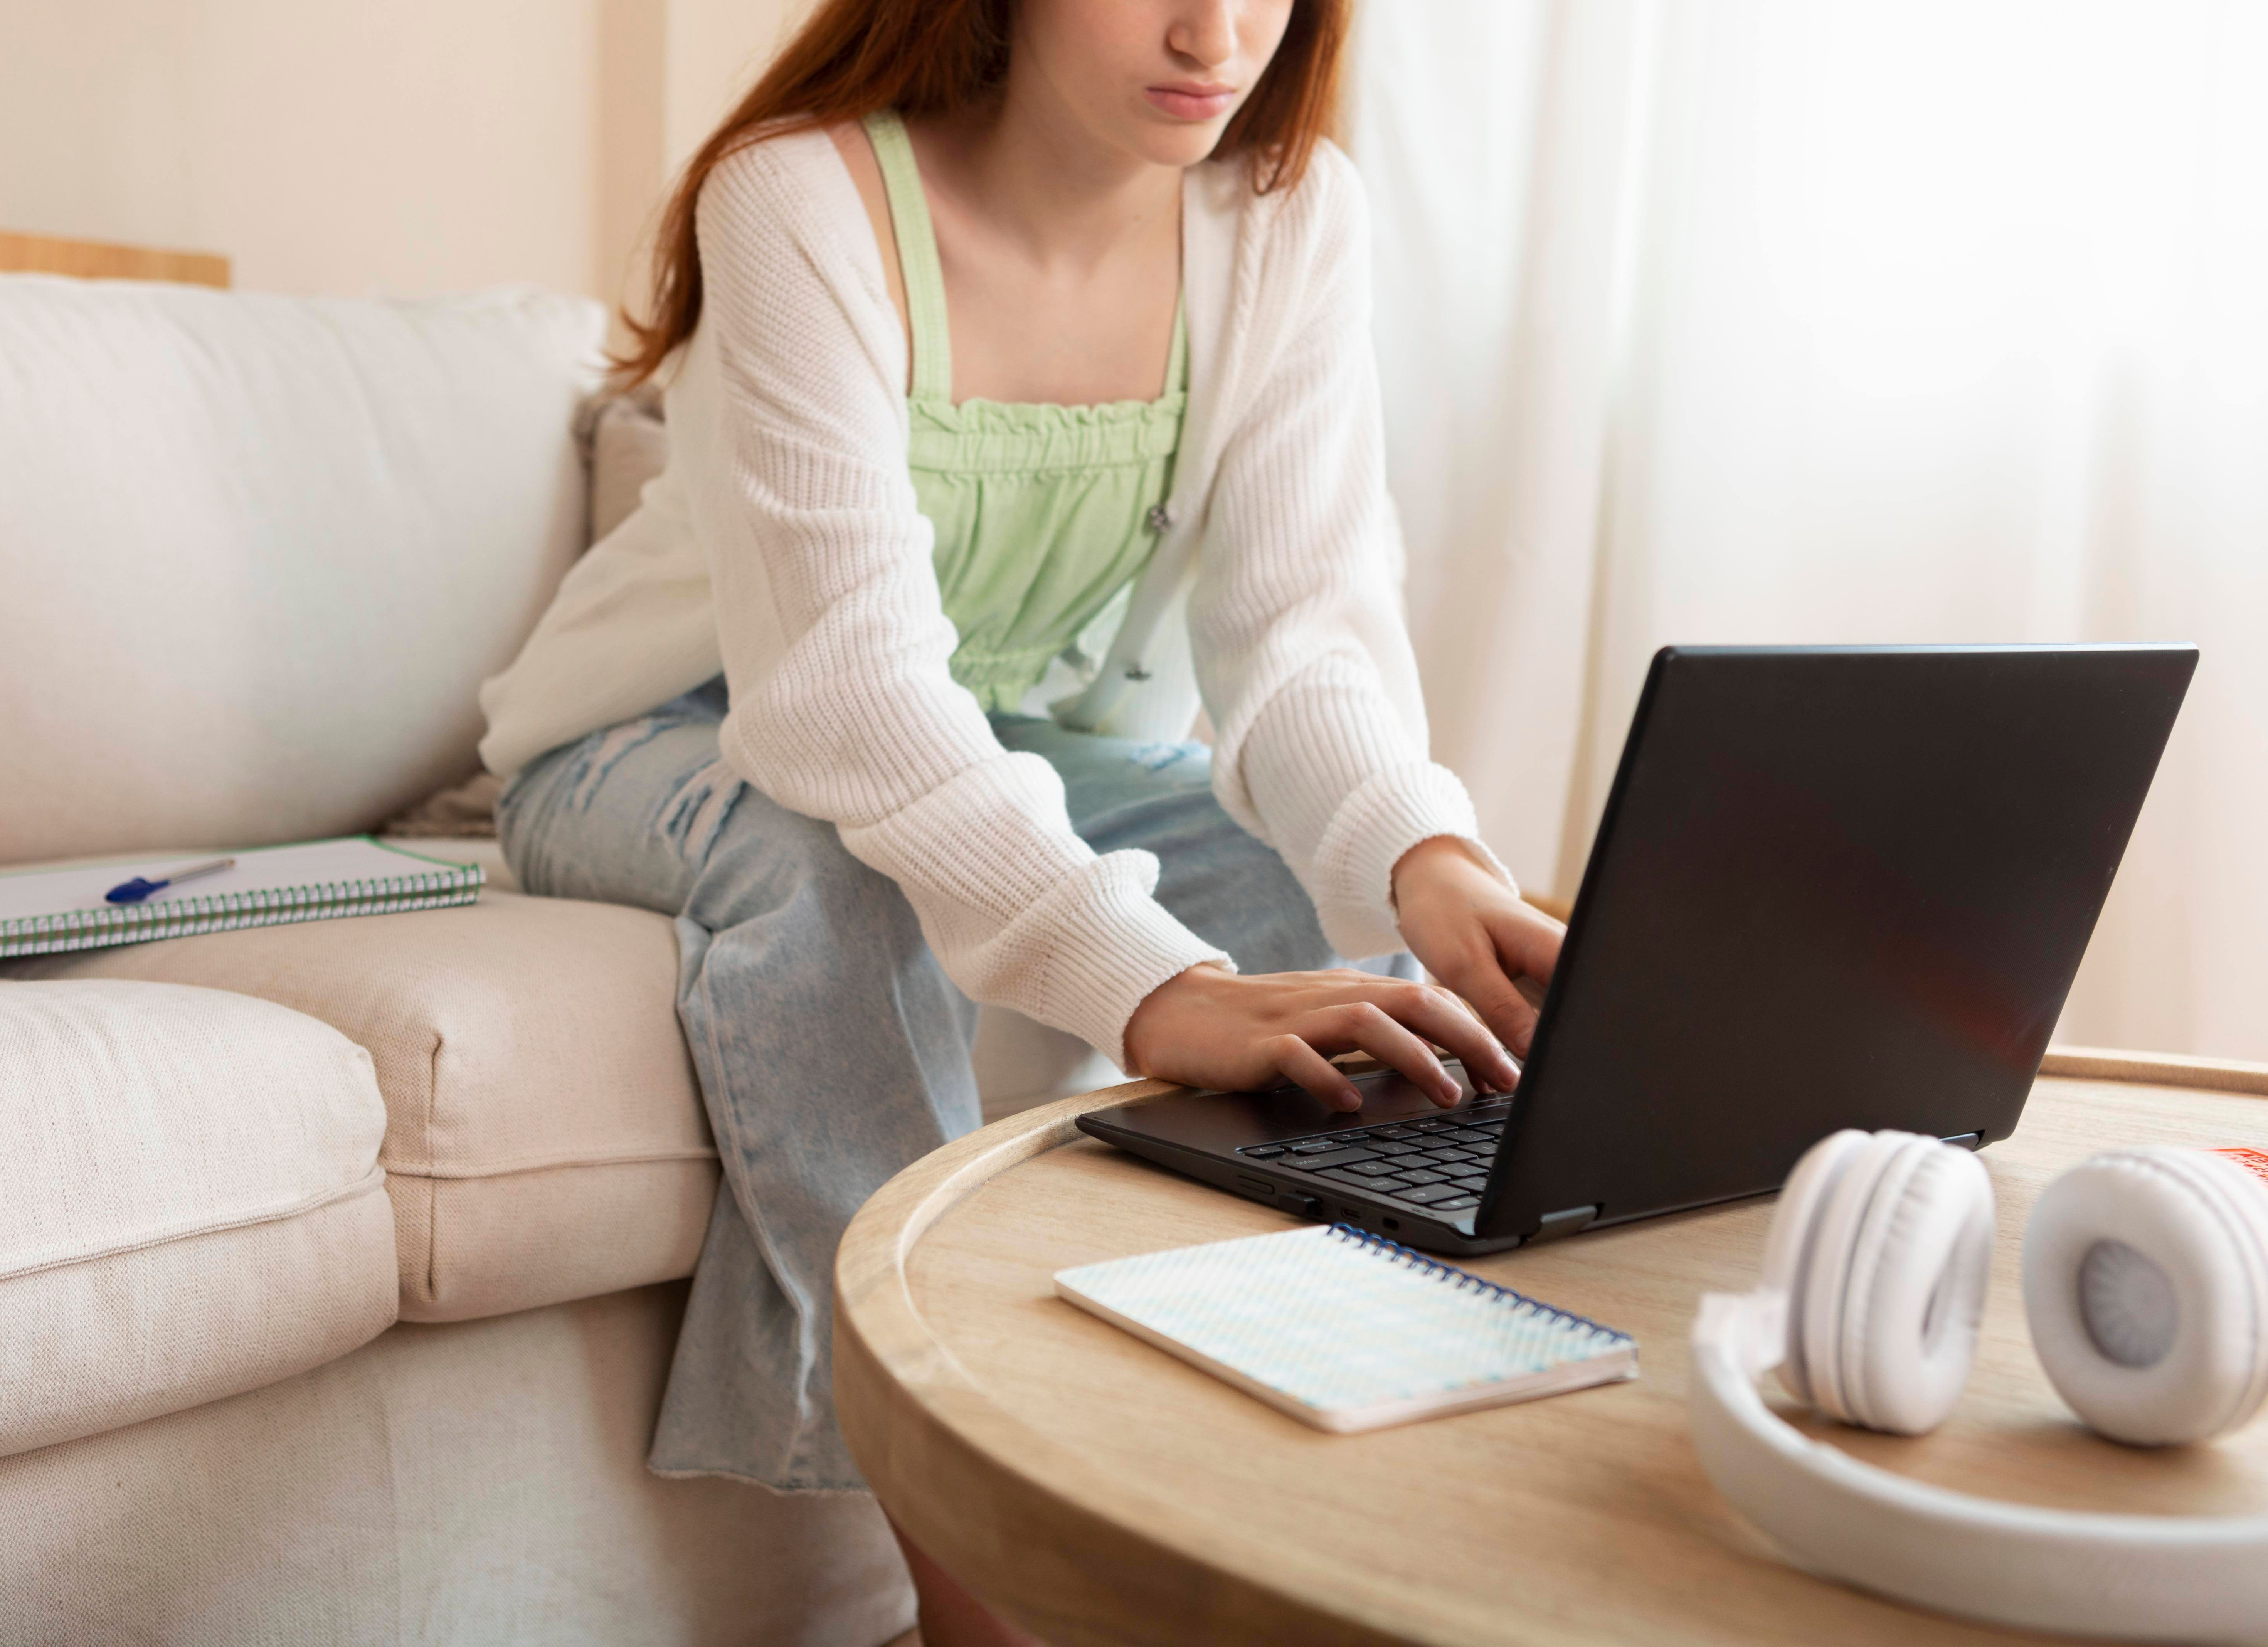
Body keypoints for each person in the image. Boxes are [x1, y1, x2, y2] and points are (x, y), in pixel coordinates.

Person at [479, 0, 1563, 1638]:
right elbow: (845, 695)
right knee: (834, 887)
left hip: (1027, 745)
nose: (1217, 34)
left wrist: (1427, 861)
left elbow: (1298, 636)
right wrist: (1150, 987)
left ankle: (1305, 1501)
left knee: (1341, 944)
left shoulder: (1285, 216)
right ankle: (959, 1590)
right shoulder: (798, 199)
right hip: (661, 736)